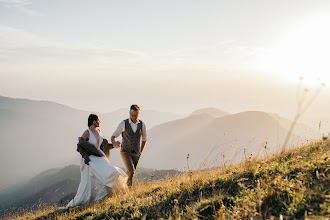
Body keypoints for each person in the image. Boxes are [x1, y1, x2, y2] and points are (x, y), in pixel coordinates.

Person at [65, 113, 128, 208]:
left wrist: (113, 146)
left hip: (99, 158)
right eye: (98, 120)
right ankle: (88, 201)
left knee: (111, 172)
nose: (100, 122)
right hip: (89, 160)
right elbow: (80, 147)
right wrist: (86, 158)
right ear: (94, 121)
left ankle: (107, 196)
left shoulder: (99, 131)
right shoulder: (87, 133)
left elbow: (101, 146)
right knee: (90, 184)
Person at [111, 104, 147, 188]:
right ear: (129, 113)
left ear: (138, 114)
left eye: (135, 115)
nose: (133, 117)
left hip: (136, 153)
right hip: (125, 151)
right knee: (131, 171)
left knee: (131, 173)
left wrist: (141, 151)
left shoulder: (142, 124)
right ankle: (129, 189)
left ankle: (125, 189)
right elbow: (114, 136)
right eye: (132, 115)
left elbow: (144, 138)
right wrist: (114, 142)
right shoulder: (123, 123)